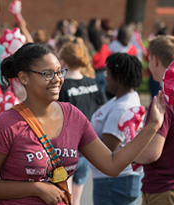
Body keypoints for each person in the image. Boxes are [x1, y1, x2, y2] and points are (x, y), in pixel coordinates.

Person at [0, 43, 165, 205]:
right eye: (47, 74)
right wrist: (36, 188)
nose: (57, 79)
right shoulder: (7, 124)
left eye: (59, 72)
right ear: (24, 78)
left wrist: (152, 127)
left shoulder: (73, 116)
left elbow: (111, 165)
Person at [134, 35, 174, 205]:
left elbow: (152, 153)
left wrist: (129, 152)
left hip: (163, 188)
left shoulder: (163, 100)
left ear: (155, 60)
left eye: (148, 59)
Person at [90, 53, 143, 205]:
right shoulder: (125, 98)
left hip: (113, 182)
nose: (106, 78)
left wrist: (81, 138)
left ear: (119, 77)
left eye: (108, 73)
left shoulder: (121, 108)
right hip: (115, 179)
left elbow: (107, 150)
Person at [58, 41, 107, 205]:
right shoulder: (93, 83)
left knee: (67, 198)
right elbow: (102, 112)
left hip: (67, 149)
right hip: (88, 148)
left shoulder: (61, 87)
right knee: (76, 199)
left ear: (63, 61)